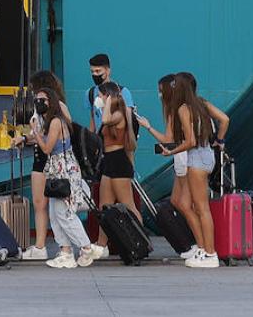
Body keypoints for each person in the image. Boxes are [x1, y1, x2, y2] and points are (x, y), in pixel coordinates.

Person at [136, 74, 224, 268]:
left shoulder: (183, 108)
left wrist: (171, 151)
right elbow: (224, 120)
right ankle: (204, 250)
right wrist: (219, 142)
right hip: (208, 155)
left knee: (201, 209)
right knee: (193, 206)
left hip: (195, 158)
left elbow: (189, 141)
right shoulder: (201, 103)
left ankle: (209, 252)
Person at [31, 87, 98, 269]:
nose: (39, 103)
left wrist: (34, 131)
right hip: (57, 171)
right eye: (37, 100)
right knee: (55, 213)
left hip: (64, 171)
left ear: (51, 102)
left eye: (42, 100)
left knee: (65, 213)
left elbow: (46, 148)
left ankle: (86, 247)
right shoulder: (52, 121)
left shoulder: (55, 122)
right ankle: (65, 251)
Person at [15, 70, 74, 260]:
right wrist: (26, 137)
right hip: (40, 156)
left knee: (54, 205)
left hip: (52, 158)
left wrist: (33, 135)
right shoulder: (43, 109)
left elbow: (65, 131)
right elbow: (41, 134)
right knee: (40, 203)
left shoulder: (59, 108)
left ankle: (60, 245)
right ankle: (41, 245)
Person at [94, 81, 140, 250]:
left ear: (108, 97)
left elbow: (106, 119)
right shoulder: (112, 112)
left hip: (119, 161)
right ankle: (101, 244)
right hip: (109, 161)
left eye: (100, 95)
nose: (98, 98)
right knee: (104, 205)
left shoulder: (119, 114)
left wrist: (106, 103)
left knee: (128, 204)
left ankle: (140, 239)